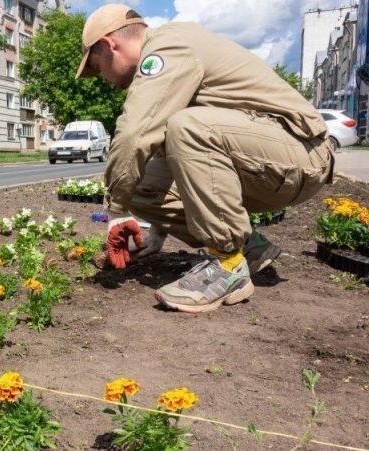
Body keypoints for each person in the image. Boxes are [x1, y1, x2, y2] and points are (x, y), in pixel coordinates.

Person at [76, 5, 334, 313]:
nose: (101, 77)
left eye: (96, 66)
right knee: (141, 179)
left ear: (108, 45)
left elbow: (134, 133)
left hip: (300, 154)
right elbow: (163, 152)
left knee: (188, 127)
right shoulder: (171, 58)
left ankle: (228, 265)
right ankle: (250, 249)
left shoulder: (167, 47)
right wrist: (157, 231)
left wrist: (115, 211)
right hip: (266, 160)